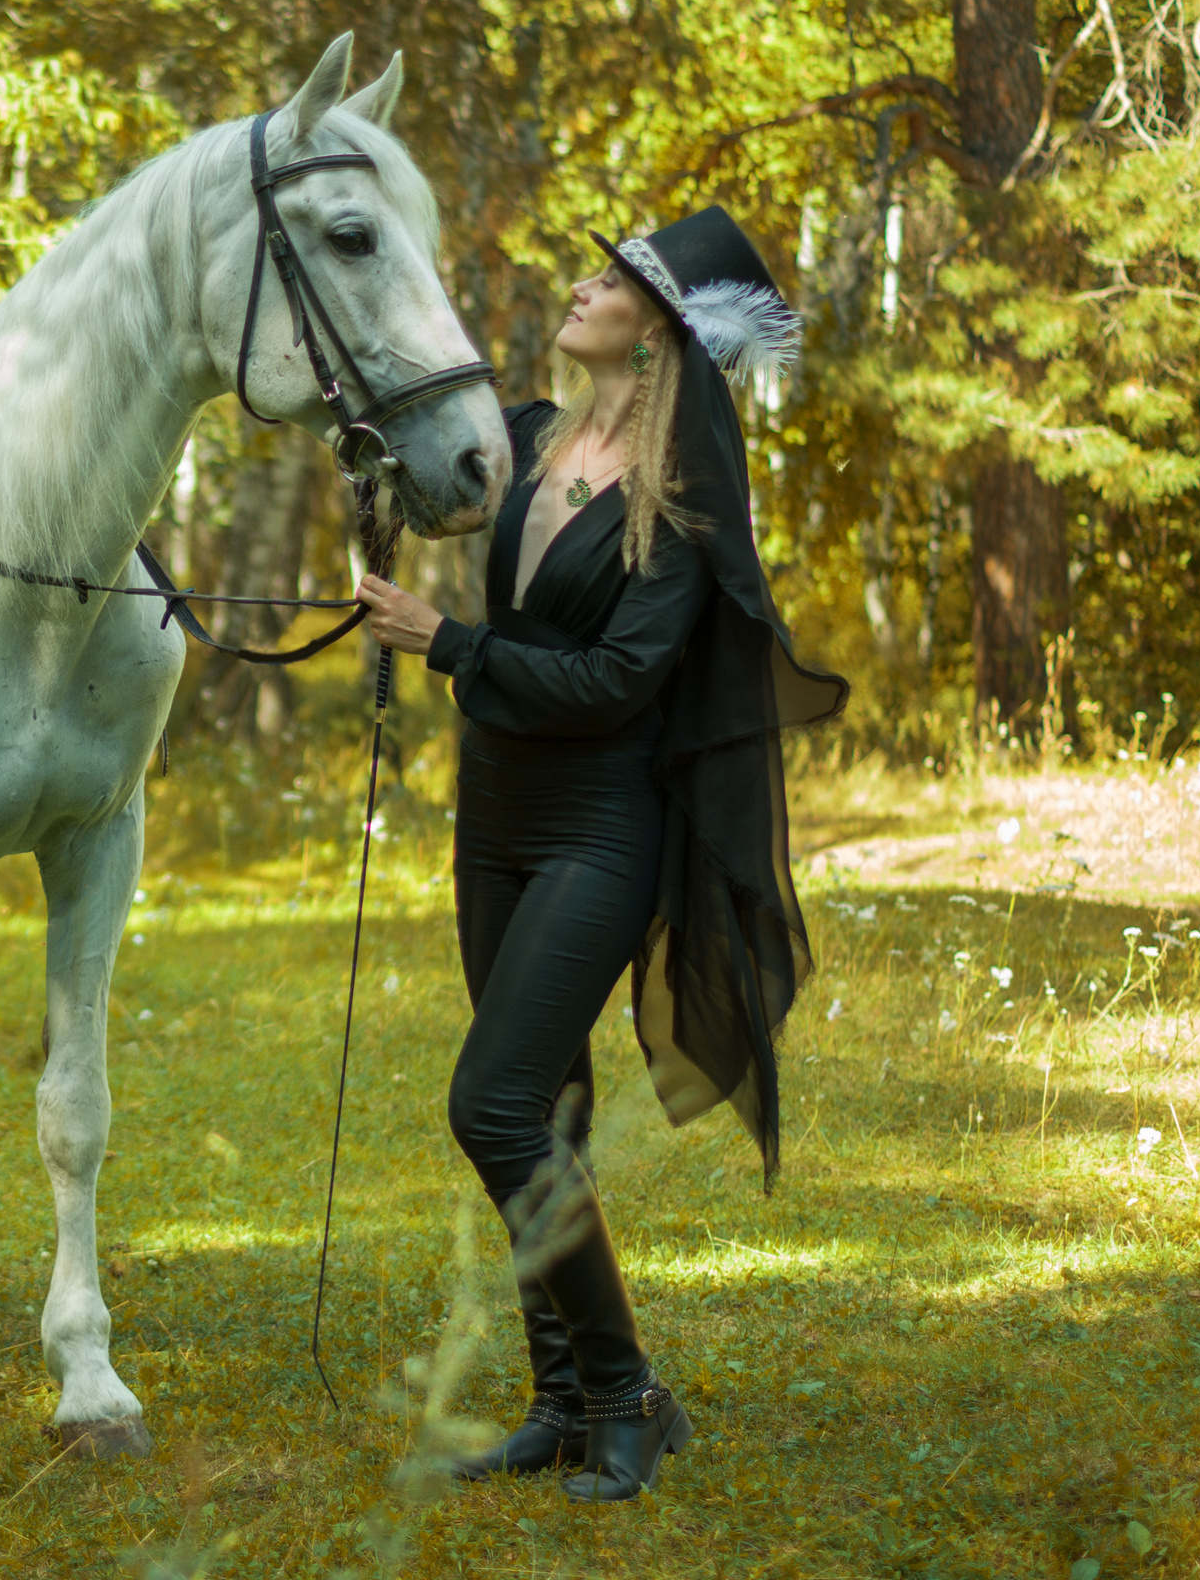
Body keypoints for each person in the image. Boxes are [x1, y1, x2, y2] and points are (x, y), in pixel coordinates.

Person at [356, 207, 847, 1504]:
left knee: (493, 1106)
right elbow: (424, 475)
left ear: (664, 327)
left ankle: (630, 1396)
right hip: (497, 819)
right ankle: (561, 1402)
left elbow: (621, 678)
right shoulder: (522, 436)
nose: (580, 287)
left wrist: (447, 644)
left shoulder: (678, 496)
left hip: (601, 827)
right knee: (549, 1117)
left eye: (613, 279)